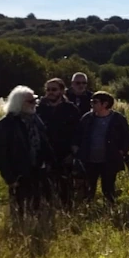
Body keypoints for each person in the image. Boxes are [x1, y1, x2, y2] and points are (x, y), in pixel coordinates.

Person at [0, 86, 53, 219]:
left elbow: (43, 143)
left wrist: (48, 162)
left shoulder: (36, 119)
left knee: (39, 210)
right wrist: (10, 177)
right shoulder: (6, 124)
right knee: (20, 212)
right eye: (30, 102)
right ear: (19, 103)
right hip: (19, 174)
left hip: (38, 171)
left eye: (35, 101)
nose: (34, 104)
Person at [73, 91, 129, 205]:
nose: (92, 104)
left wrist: (121, 151)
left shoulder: (118, 119)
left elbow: (127, 137)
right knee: (89, 188)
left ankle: (110, 209)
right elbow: (78, 134)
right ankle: (87, 210)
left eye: (95, 102)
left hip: (109, 161)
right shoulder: (87, 118)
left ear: (105, 104)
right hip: (89, 160)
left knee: (108, 188)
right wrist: (76, 148)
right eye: (91, 102)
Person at [36, 78, 81, 208]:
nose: (50, 92)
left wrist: (73, 153)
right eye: (48, 89)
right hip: (44, 155)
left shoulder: (71, 109)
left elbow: (78, 133)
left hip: (65, 154)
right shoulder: (39, 109)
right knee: (45, 189)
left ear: (61, 91)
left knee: (65, 189)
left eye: (54, 89)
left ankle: (66, 215)